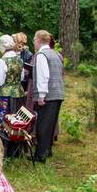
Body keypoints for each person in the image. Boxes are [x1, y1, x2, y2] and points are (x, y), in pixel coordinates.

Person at [32, 30, 64, 162]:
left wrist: (41, 95)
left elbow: (43, 76)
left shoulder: (41, 55)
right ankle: (48, 150)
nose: (33, 42)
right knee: (50, 124)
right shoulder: (55, 53)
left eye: (34, 39)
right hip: (58, 93)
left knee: (43, 125)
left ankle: (41, 155)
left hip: (48, 95)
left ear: (39, 40)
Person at [0, 34, 25, 126]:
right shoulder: (19, 60)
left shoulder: (1, 62)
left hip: (2, 97)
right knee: (15, 122)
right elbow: (21, 77)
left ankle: (0, 138)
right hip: (18, 95)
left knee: (0, 122)